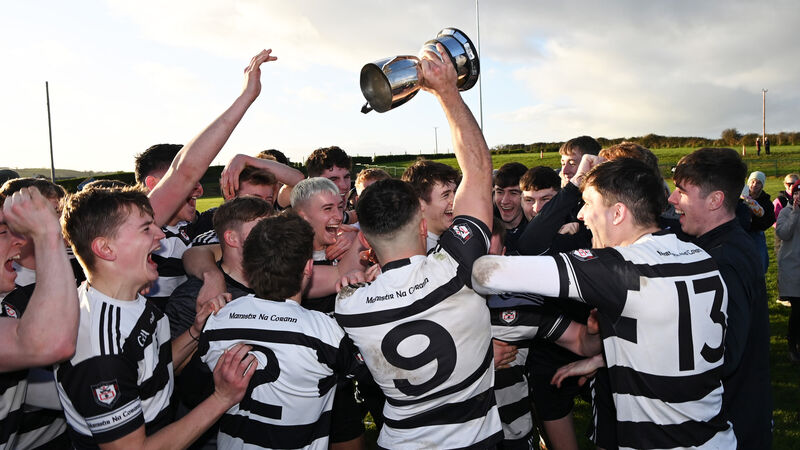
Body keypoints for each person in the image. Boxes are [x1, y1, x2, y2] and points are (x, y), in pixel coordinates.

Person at [53, 48, 276, 449]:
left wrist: (194, 331)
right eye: (145, 229)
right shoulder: (99, 347)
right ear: (104, 248)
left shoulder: (131, 301)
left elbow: (151, 371)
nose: (161, 238)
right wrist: (221, 399)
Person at [473, 157, 736, 449]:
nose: (583, 215)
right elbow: (673, 338)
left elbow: (487, 272)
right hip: (716, 436)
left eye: (588, 203)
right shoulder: (698, 256)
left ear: (618, 213)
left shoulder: (619, 269)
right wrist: (605, 357)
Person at [335, 43, 502, 448]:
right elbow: (478, 171)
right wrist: (447, 92)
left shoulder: (350, 305)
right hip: (476, 439)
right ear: (421, 221)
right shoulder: (457, 268)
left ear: (366, 237)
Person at [200, 213, 364, 449]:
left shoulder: (217, 318)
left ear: (247, 264)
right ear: (309, 267)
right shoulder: (324, 331)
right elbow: (366, 372)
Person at [669, 147, 772, 449]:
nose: (672, 199)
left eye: (681, 192)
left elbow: (721, 356)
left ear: (715, 200)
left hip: (729, 424)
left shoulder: (722, 260)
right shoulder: (725, 243)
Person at [0, 187, 79, 450]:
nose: (19, 241)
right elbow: (52, 343)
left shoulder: (9, 303)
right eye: (3, 232)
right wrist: (46, 234)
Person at [401, 159, 460, 251]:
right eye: (446, 195)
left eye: (456, 192)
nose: (455, 200)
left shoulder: (452, 238)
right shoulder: (416, 253)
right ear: (420, 203)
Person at [776, 179, 800, 362]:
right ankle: (792, 346)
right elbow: (783, 233)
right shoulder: (786, 212)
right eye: (797, 193)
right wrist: (795, 212)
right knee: (797, 310)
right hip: (793, 267)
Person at [741, 171, 775, 273]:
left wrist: (754, 222)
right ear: (748, 182)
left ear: (763, 185)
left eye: (758, 183)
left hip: (756, 234)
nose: (755, 185)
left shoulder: (766, 202)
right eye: (753, 181)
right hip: (741, 233)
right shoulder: (741, 197)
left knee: (760, 262)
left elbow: (769, 220)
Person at [493, 162, 528, 253]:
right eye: (500, 192)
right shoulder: (485, 226)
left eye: (513, 193)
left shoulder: (537, 227)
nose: (504, 201)